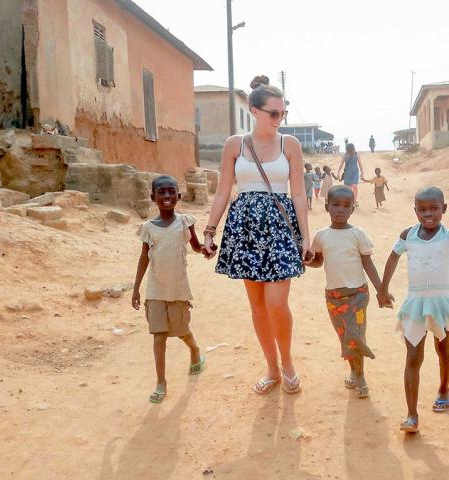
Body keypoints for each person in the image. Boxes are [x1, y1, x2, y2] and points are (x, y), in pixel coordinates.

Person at [203, 75, 312, 395]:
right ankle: (272, 368)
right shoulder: (234, 145)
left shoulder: (290, 145)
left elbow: (300, 195)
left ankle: (288, 363)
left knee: (277, 302)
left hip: (279, 226)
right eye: (274, 113)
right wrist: (210, 231)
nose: (280, 119)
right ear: (254, 111)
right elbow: (224, 190)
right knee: (258, 306)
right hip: (244, 228)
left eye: (283, 113)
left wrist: (305, 237)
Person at [132, 175, 209, 403]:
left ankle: (194, 351)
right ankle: (161, 382)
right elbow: (144, 258)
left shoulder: (185, 222)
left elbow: (195, 246)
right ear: (153, 197)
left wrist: (206, 249)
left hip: (178, 289)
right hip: (155, 290)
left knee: (182, 331)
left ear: (179, 196)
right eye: (161, 192)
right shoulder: (148, 228)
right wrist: (136, 288)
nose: (166, 196)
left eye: (170, 192)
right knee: (159, 336)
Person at [378, 187, 449, 433]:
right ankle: (412, 415)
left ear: (444, 209)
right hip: (416, 304)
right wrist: (383, 289)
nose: (428, 214)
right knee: (413, 357)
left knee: (444, 351)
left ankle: (443, 388)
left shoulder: (447, 237)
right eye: (422, 209)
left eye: (434, 209)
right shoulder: (408, 235)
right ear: (415, 210)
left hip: (443, 304)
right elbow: (393, 257)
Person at [308, 185, 383, 398]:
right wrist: (304, 260)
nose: (341, 209)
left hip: (358, 295)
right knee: (345, 338)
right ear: (327, 207)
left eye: (347, 206)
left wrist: (381, 290)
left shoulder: (358, 234)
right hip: (333, 297)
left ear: (352, 209)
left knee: (354, 335)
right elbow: (318, 262)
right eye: (336, 205)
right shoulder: (321, 236)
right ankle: (354, 369)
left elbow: (368, 263)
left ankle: (360, 376)